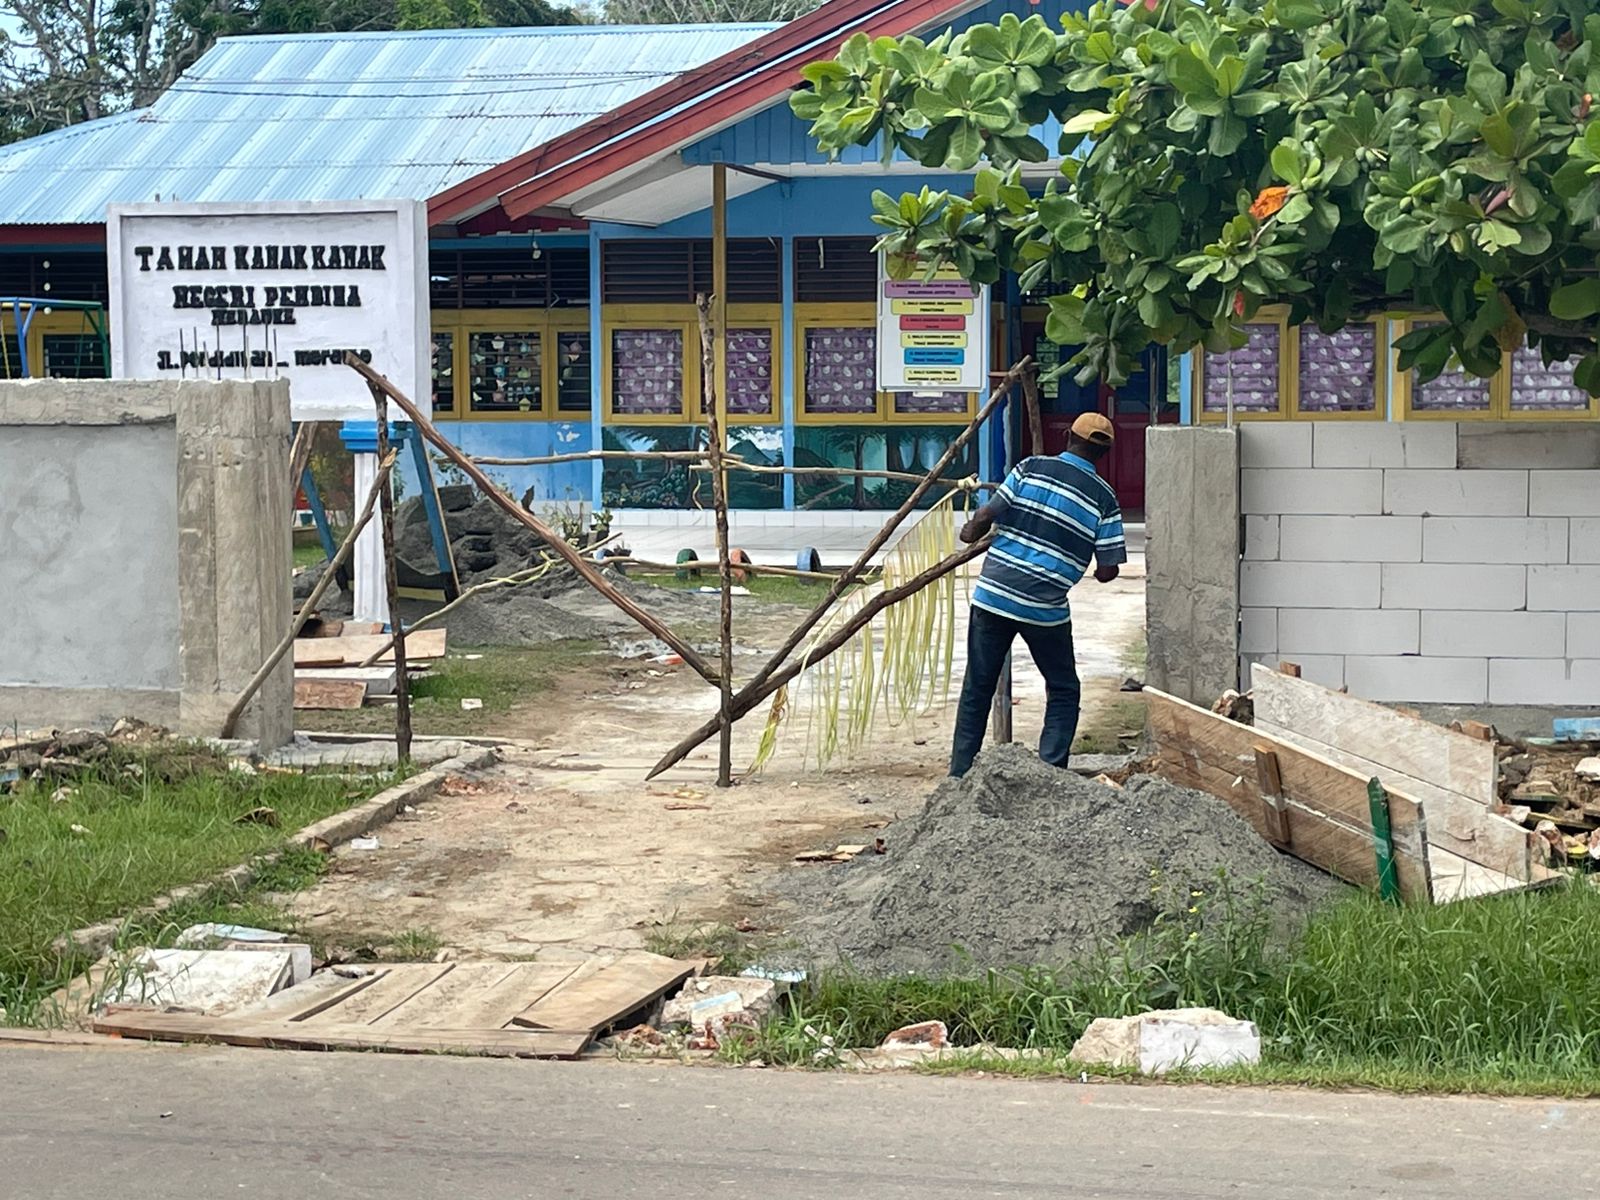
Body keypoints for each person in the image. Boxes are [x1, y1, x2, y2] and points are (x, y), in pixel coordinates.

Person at [949, 412, 1127, 777]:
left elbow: (986, 515)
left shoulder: (1030, 468)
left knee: (977, 687)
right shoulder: (1105, 498)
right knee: (1063, 689)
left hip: (994, 595)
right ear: (1104, 453)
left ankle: (959, 774)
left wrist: (969, 532)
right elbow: (1108, 571)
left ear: (1067, 437)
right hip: (1045, 609)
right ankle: (1051, 772)